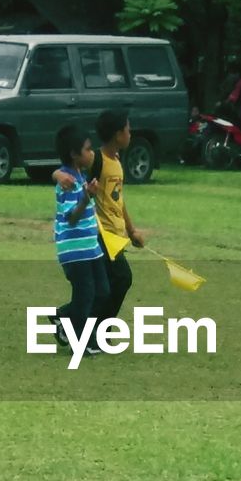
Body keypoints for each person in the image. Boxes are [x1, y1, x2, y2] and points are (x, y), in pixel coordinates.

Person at [54, 109, 145, 320]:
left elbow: (118, 199)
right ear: (117, 134)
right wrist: (57, 174)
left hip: (114, 234)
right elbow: (70, 167)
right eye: (128, 130)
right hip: (101, 235)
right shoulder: (97, 159)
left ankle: (74, 321)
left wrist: (131, 230)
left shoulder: (116, 161)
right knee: (120, 280)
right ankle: (82, 325)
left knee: (109, 285)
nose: (130, 134)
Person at [52, 126, 108, 354]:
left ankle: (63, 316)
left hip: (90, 248)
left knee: (102, 290)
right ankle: (80, 341)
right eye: (87, 149)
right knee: (85, 294)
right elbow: (71, 218)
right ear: (75, 154)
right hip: (74, 249)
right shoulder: (67, 181)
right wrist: (86, 199)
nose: (92, 152)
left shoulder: (80, 176)